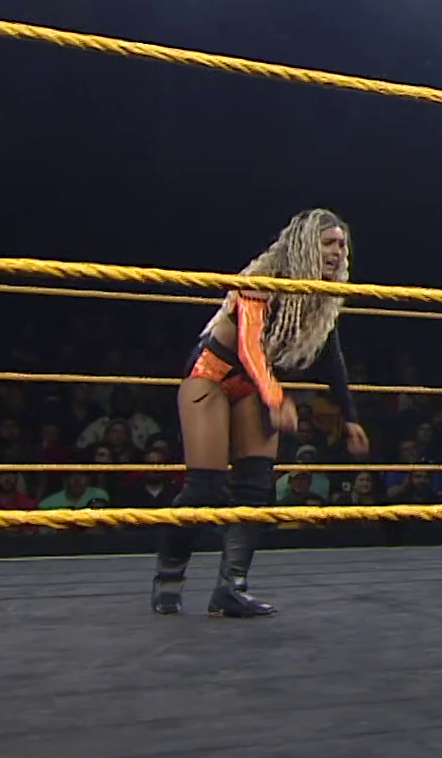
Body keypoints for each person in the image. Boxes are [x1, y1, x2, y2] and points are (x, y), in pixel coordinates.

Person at [151, 208, 369, 618]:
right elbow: (249, 344)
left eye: (342, 245)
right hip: (213, 375)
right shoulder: (262, 276)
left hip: (255, 385)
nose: (338, 252)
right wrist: (274, 396)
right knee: (205, 488)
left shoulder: (321, 297)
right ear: (304, 246)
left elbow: (331, 355)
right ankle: (169, 574)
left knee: (254, 487)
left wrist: (351, 415)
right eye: (328, 243)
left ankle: (231, 588)